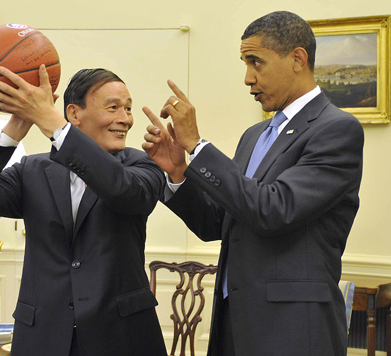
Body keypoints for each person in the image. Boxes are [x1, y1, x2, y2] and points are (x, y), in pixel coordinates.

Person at [142, 11, 364, 356]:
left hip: (292, 328)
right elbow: (217, 221)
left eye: (255, 62)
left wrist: (199, 147)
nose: (248, 78)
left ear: (297, 59)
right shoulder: (255, 135)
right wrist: (179, 172)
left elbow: (273, 210)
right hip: (235, 322)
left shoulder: (336, 129)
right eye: (245, 63)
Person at [0, 67, 168, 356]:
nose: (125, 118)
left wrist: (52, 123)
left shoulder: (142, 167)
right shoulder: (32, 170)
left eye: (127, 108)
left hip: (122, 337)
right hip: (42, 337)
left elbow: (123, 192)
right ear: (74, 114)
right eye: (113, 107)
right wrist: (17, 125)